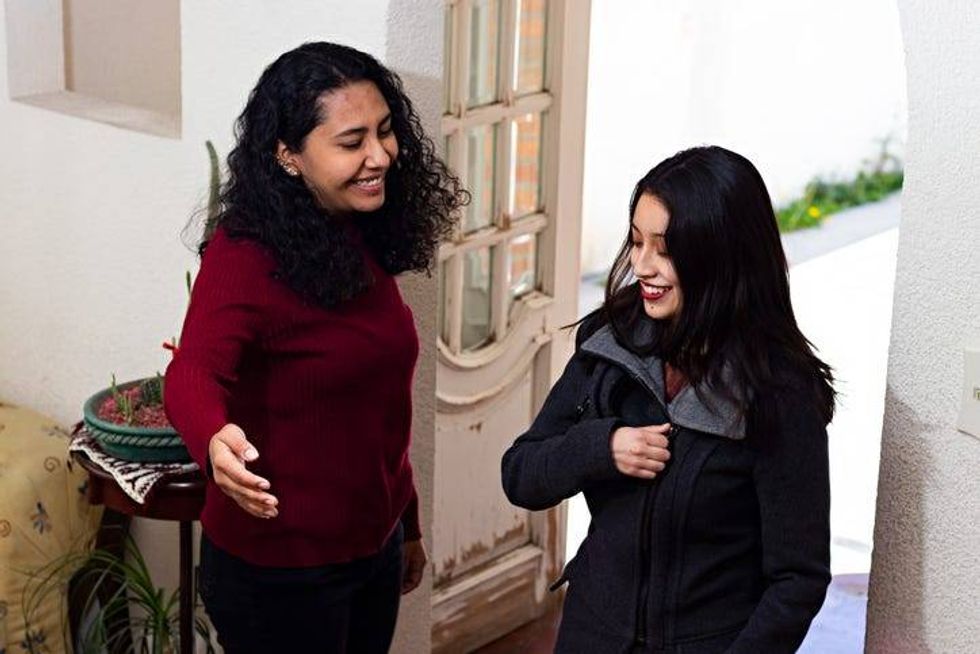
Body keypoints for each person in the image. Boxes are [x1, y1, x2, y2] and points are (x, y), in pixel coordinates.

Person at [164, 41, 466, 653]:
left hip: (373, 550)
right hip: (279, 572)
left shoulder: (361, 230)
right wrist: (214, 441)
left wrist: (404, 523)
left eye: (385, 131)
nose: (380, 155)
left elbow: (377, 410)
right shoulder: (243, 254)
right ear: (289, 155)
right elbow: (193, 371)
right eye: (352, 142)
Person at [501, 146, 835, 653]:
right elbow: (521, 474)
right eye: (637, 242)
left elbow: (797, 580)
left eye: (665, 249)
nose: (642, 266)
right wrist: (602, 448)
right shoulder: (609, 345)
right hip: (590, 636)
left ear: (722, 254)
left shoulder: (780, 393)